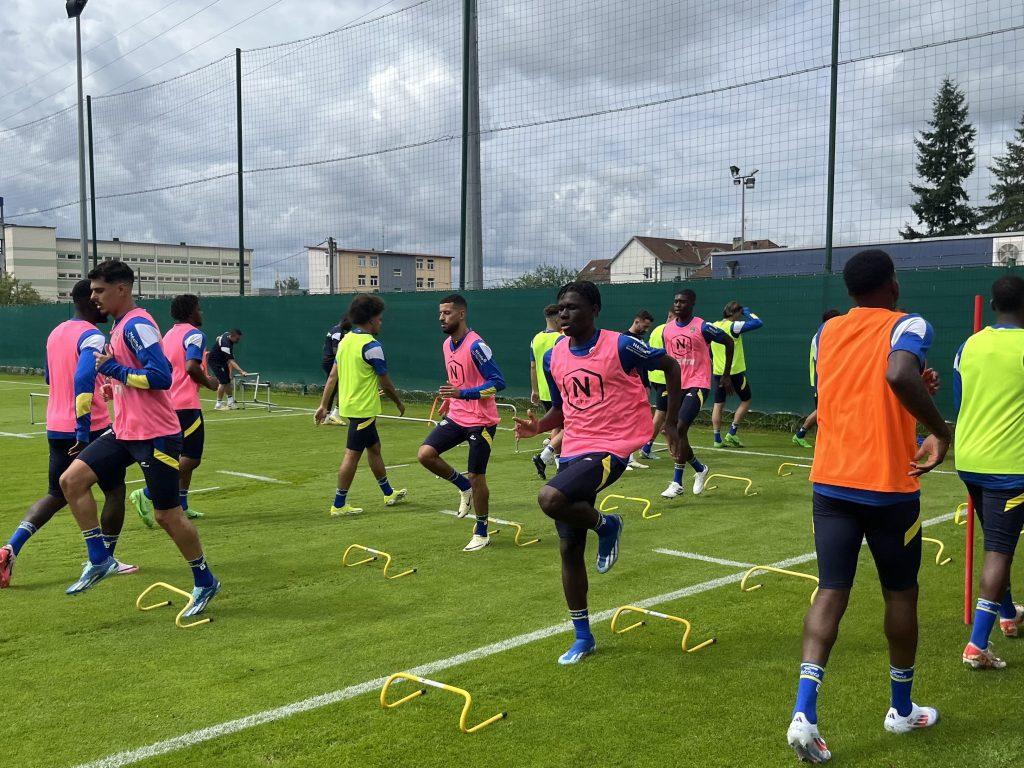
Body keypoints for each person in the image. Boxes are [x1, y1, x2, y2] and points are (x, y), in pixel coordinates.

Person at [787, 250, 949, 764]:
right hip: (888, 490)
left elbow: (849, 393)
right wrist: (940, 429)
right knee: (900, 595)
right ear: (893, 284)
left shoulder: (825, 333)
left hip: (831, 484)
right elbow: (897, 374)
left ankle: (804, 712)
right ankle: (901, 710)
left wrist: (913, 396)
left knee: (831, 590)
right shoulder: (909, 324)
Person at [515, 281, 681, 665]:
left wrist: (671, 423)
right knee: (569, 548)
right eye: (559, 308)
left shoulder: (621, 345)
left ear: (594, 309)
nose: (563, 314)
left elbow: (669, 365)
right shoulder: (553, 355)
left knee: (549, 498)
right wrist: (539, 427)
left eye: (572, 307)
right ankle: (583, 636)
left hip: (612, 448)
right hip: (572, 451)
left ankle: (607, 525)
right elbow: (562, 409)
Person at [59, 261, 220, 618]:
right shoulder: (118, 327)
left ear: (122, 289)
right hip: (125, 431)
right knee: (71, 480)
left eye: (99, 290)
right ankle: (100, 559)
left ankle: (205, 579)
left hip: (157, 435)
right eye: (92, 290)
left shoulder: (137, 325)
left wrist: (113, 370)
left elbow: (160, 376)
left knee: (167, 515)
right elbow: (128, 376)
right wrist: (111, 383)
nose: (93, 296)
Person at [0, 280, 134, 588]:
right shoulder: (92, 335)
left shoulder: (56, 332)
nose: (102, 303)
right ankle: (105, 558)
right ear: (89, 300)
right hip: (90, 428)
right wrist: (84, 429)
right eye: (97, 296)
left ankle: (10, 548)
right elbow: (84, 376)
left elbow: (50, 376)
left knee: (57, 493)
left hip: (55, 425)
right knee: (114, 490)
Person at [956, 275, 1024, 669]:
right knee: (999, 548)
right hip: (1010, 465)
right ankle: (977, 644)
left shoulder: (971, 343)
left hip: (971, 459)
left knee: (1001, 538)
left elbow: (960, 397)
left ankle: (1008, 613)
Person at [418, 295, 506, 552]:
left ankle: (481, 531)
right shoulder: (447, 344)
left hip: (482, 421)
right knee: (425, 454)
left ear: (461, 314)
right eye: (440, 313)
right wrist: (451, 398)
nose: (441, 317)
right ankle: (462, 486)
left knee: (477, 475)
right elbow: (457, 378)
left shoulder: (476, 346)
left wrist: (463, 394)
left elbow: (498, 383)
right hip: (457, 415)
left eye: (446, 313)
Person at [315, 294, 407, 515]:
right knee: (352, 455)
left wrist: (323, 405)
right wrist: (398, 403)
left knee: (374, 448)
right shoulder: (372, 345)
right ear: (371, 319)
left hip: (350, 407)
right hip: (363, 409)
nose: (381, 322)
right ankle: (339, 505)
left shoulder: (345, 341)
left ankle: (388, 493)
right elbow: (386, 382)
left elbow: (332, 377)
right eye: (380, 318)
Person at [131, 294, 217, 527]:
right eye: (199, 309)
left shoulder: (168, 334)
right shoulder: (195, 334)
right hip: (186, 404)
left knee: (181, 456)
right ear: (191, 312)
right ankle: (147, 493)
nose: (202, 313)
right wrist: (210, 383)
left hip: (168, 402)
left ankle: (183, 505)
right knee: (192, 458)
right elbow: (191, 366)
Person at [659, 289, 734, 500]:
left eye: (682, 302)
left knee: (680, 428)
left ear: (692, 304)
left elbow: (728, 342)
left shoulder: (702, 326)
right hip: (676, 386)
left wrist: (725, 375)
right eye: (675, 301)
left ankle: (677, 482)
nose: (678, 305)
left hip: (698, 384)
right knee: (670, 430)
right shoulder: (668, 330)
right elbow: (669, 360)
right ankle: (700, 468)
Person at [711, 301, 763, 448]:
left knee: (718, 404)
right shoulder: (734, 326)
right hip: (735, 372)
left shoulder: (714, 325)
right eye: (739, 313)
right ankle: (732, 433)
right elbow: (758, 322)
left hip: (718, 372)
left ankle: (717, 439)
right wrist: (747, 312)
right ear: (736, 312)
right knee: (746, 400)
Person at [793, 309, 841, 448]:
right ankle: (824, 441)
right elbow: (823, 359)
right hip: (822, 380)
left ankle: (800, 434)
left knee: (822, 410)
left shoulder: (830, 335)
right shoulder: (821, 336)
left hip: (827, 380)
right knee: (824, 411)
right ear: (831, 321)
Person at [530, 304, 563, 479]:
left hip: (544, 391)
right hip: (559, 390)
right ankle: (546, 456)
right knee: (570, 426)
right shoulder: (561, 338)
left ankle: (559, 465)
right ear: (557, 318)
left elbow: (533, 366)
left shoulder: (536, 338)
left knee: (557, 427)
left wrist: (534, 390)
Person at [639, 309, 674, 461]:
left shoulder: (657, 330)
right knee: (660, 413)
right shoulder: (669, 331)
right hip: (664, 379)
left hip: (655, 377)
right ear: (672, 316)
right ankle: (646, 447)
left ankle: (672, 443)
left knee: (666, 413)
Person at [321, 316, 352, 426]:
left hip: (327, 361)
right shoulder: (338, 332)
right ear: (344, 322)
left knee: (333, 388)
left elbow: (325, 346)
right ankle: (336, 413)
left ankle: (327, 416)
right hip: (332, 362)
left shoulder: (333, 329)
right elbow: (336, 350)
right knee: (343, 387)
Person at [207, 328, 247, 410]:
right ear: (232, 336)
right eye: (237, 339)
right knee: (223, 382)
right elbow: (231, 361)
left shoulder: (226, 334)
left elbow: (219, 337)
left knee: (228, 380)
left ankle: (230, 402)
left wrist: (218, 339)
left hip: (223, 361)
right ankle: (218, 405)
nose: (238, 340)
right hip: (215, 362)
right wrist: (241, 371)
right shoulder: (226, 345)